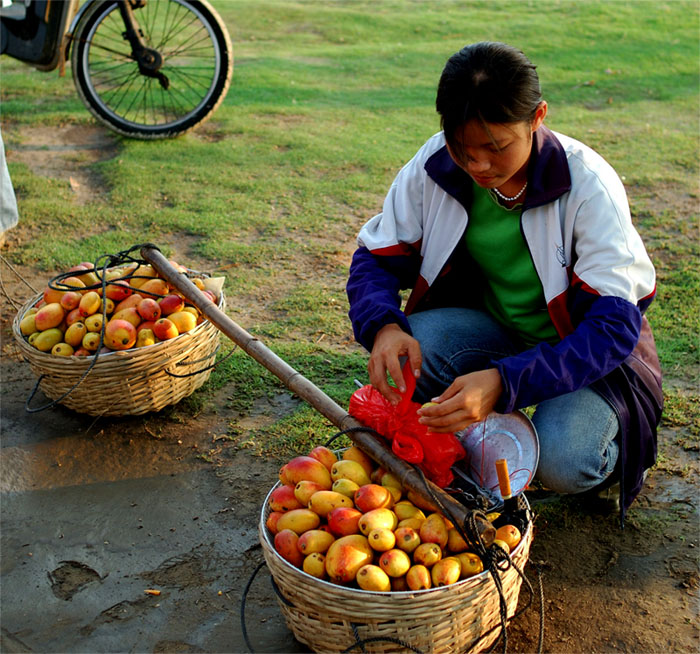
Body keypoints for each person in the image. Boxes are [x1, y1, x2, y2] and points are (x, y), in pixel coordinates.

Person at [346, 41, 663, 520]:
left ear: (537, 118)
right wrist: (384, 327)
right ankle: (485, 433)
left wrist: (506, 382)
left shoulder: (587, 184)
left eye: (494, 148)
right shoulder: (436, 165)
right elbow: (376, 255)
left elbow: (612, 330)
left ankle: (615, 459)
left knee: (565, 461)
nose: (476, 166)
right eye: (461, 147)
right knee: (411, 348)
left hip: (583, 358)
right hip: (494, 333)